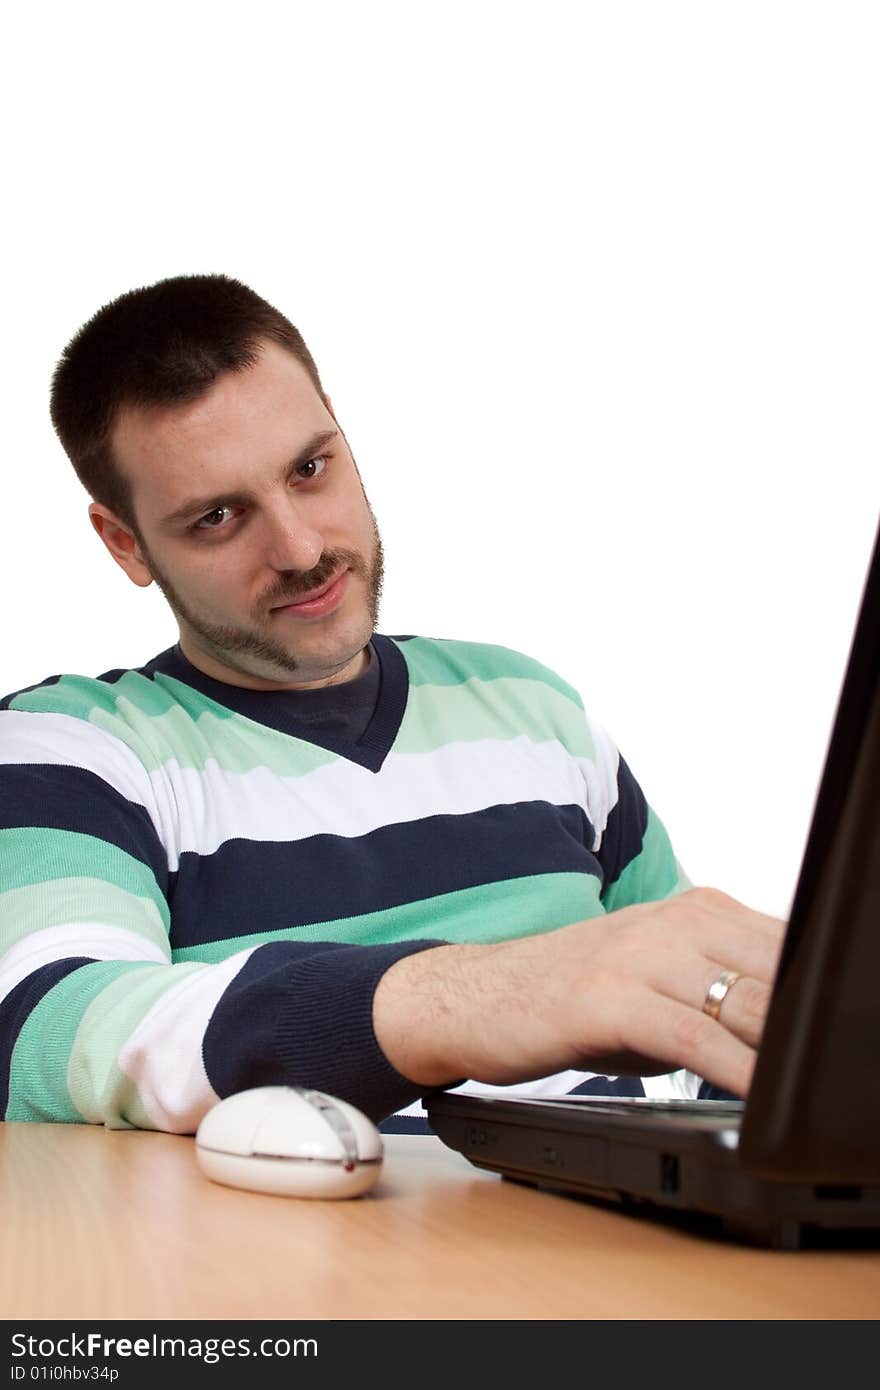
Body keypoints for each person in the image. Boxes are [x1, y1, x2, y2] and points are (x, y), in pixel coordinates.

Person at [0, 274, 784, 1136]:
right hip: (320, 1265)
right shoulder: (70, 751)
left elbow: (696, 1009)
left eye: (309, 468)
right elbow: (48, 1033)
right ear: (126, 543)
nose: (302, 548)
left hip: (634, 1247)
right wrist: (479, 1000)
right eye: (219, 516)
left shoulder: (530, 703)